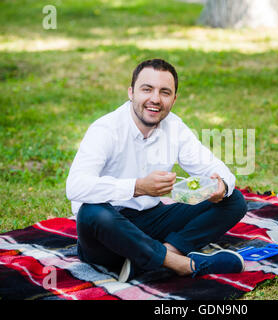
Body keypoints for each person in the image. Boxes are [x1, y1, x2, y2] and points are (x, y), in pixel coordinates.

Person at [66, 58, 247, 282]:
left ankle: (159, 256)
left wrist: (221, 183)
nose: (155, 99)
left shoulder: (174, 127)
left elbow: (212, 167)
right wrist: (138, 187)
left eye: (164, 92)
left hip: (151, 220)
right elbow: (75, 186)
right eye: (147, 89)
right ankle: (181, 265)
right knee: (91, 212)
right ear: (131, 92)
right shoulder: (105, 129)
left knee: (234, 199)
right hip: (108, 233)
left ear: (174, 99)